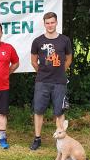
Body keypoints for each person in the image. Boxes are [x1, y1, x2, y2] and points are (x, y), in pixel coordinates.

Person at [29, 12, 72, 150]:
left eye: (52, 22)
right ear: (44, 24)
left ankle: (60, 137)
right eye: (47, 23)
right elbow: (34, 61)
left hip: (59, 81)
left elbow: (69, 58)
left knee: (59, 111)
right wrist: (42, 71)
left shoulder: (65, 40)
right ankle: (37, 138)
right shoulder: (38, 41)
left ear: (56, 22)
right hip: (42, 81)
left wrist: (60, 70)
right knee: (38, 110)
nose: (50, 25)